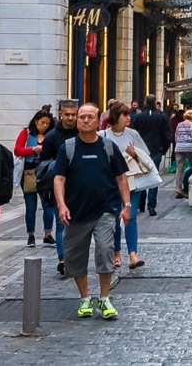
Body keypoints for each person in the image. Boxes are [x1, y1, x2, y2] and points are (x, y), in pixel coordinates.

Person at [53, 103, 130, 321]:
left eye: (90, 117)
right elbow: (59, 179)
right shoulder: (67, 148)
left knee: (105, 251)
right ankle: (85, 298)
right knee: (75, 257)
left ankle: (104, 298)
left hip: (105, 210)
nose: (85, 120)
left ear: (98, 122)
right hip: (75, 212)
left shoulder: (107, 147)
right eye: (82, 117)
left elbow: (121, 177)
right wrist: (61, 204)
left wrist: (127, 205)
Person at [102, 103, 160, 270]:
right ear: (115, 117)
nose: (129, 117)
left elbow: (145, 154)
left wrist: (134, 153)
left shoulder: (132, 134)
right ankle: (116, 254)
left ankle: (133, 255)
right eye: (124, 115)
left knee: (131, 217)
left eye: (128, 114)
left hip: (131, 181)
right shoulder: (103, 135)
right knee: (114, 217)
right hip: (110, 183)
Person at [40, 102, 80, 276]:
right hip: (60, 187)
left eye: (73, 114)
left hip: (81, 187)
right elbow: (42, 163)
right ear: (60, 114)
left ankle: (75, 256)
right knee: (61, 222)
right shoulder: (51, 137)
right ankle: (63, 258)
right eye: (67, 114)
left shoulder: (83, 133)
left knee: (79, 224)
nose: (70, 117)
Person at [15, 109, 55, 247]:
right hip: (29, 173)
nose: (44, 126)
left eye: (47, 123)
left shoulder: (51, 135)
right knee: (30, 206)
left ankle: (48, 234)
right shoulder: (26, 133)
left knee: (48, 205)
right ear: (36, 121)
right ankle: (30, 235)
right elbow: (17, 150)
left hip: (45, 173)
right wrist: (31, 149)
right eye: (42, 122)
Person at [130, 97, 171, 213]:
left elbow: (132, 134)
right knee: (154, 177)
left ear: (144, 103)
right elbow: (167, 135)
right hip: (156, 149)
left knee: (141, 176)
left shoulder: (138, 117)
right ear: (154, 103)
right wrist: (163, 149)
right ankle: (151, 206)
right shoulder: (161, 117)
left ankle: (140, 204)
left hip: (141, 151)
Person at [172, 109, 192, 191]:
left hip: (178, 147)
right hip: (189, 148)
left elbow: (176, 137)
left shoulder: (179, 124)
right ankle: (188, 185)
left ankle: (178, 188)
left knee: (179, 168)